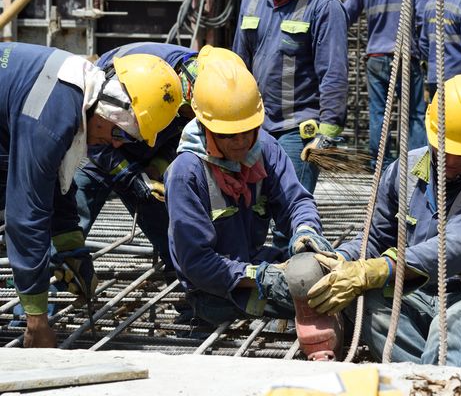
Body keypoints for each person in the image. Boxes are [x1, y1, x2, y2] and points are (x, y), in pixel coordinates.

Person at [307, 75, 461, 366]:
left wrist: (382, 267)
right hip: (419, 292)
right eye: (443, 147)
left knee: (449, 332)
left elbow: (453, 249)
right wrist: (339, 259)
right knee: (365, 302)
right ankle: (418, 377)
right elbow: (374, 238)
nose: (449, 159)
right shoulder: (405, 169)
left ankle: (438, 376)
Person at [0, 42, 182, 347]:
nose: (117, 145)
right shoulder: (51, 120)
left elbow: (56, 173)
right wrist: (37, 320)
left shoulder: (79, 90)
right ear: (112, 107)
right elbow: (26, 212)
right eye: (120, 133)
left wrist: (71, 246)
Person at [165, 49, 339, 359]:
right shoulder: (186, 173)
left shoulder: (264, 148)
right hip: (215, 289)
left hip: (254, 261)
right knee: (316, 298)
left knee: (330, 279)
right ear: (205, 126)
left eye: (248, 131)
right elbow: (196, 263)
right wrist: (258, 276)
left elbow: (295, 201)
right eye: (230, 135)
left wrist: (306, 230)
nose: (241, 142)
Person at [74, 42, 199, 272]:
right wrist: (131, 176)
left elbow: (176, 138)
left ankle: (190, 296)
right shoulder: (135, 74)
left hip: (142, 154)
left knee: (175, 238)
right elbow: (95, 133)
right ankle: (48, 294)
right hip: (96, 153)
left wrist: (153, 171)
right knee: (68, 227)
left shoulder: (194, 98)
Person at [232, 0, 349, 194]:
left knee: (289, 213)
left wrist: (327, 135)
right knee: (254, 215)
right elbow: (238, 64)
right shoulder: (251, 1)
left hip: (297, 132)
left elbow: (333, 73)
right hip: (255, 129)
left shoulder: (325, 6)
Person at [344, 0, 429, 169]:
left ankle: (380, 164)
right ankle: (417, 166)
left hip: (376, 55)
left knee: (378, 113)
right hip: (406, 55)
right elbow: (423, 17)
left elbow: (344, 15)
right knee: (415, 115)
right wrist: (425, 53)